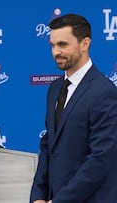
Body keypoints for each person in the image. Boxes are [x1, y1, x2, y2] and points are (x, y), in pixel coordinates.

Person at [30, 14, 117, 203]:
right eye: (52, 45)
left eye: (63, 44)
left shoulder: (104, 92)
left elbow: (100, 160)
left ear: (85, 44)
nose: (55, 52)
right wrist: (38, 195)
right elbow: (48, 146)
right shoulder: (54, 88)